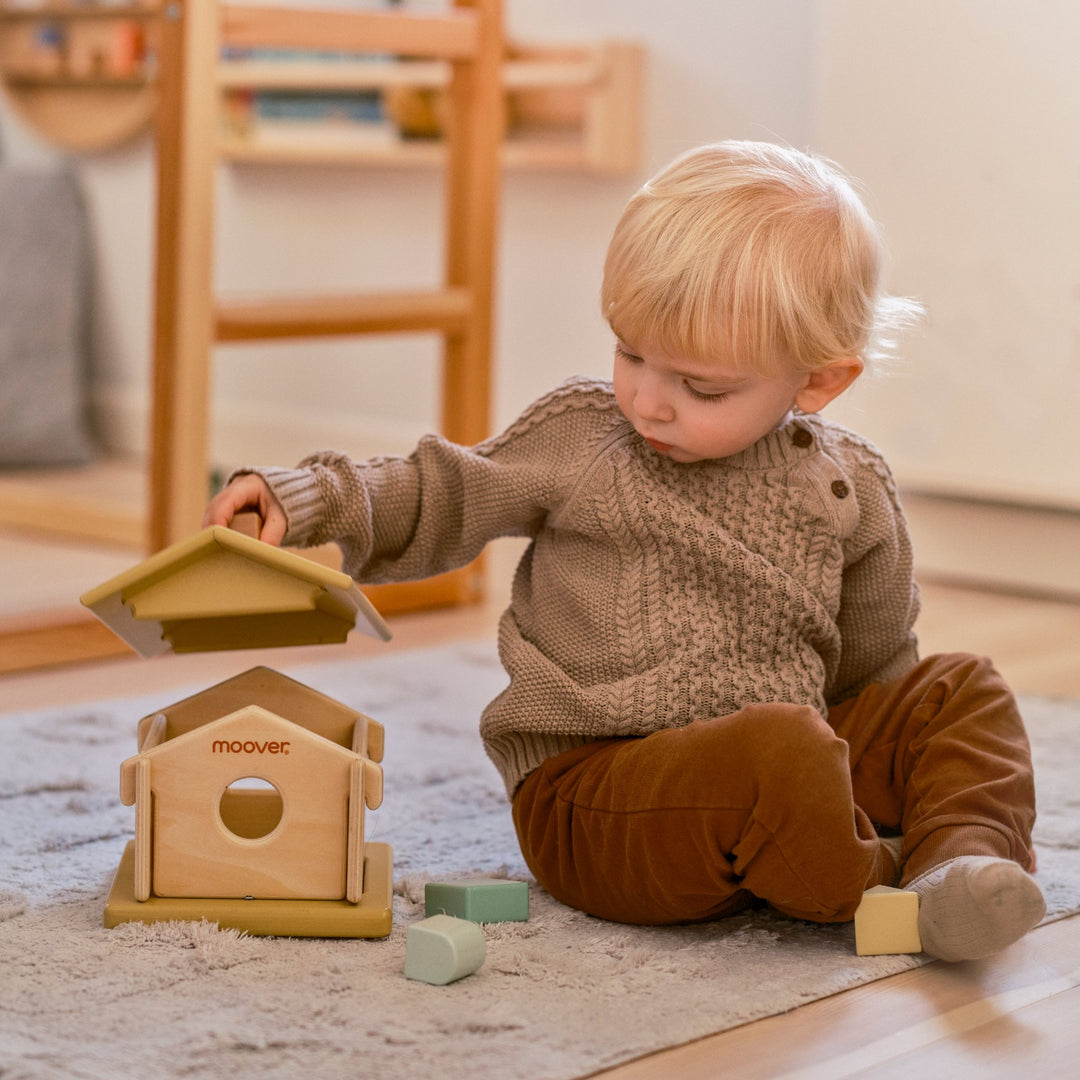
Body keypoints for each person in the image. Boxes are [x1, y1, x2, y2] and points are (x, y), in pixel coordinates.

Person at [204, 140, 1044, 962]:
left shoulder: (848, 483)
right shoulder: (583, 437)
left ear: (818, 383)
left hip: (780, 761)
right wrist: (308, 497)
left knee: (960, 689)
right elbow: (443, 490)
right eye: (630, 353)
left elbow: (874, 664)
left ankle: (958, 868)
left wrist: (886, 756)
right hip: (599, 793)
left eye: (701, 386)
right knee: (783, 750)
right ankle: (871, 882)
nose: (647, 399)